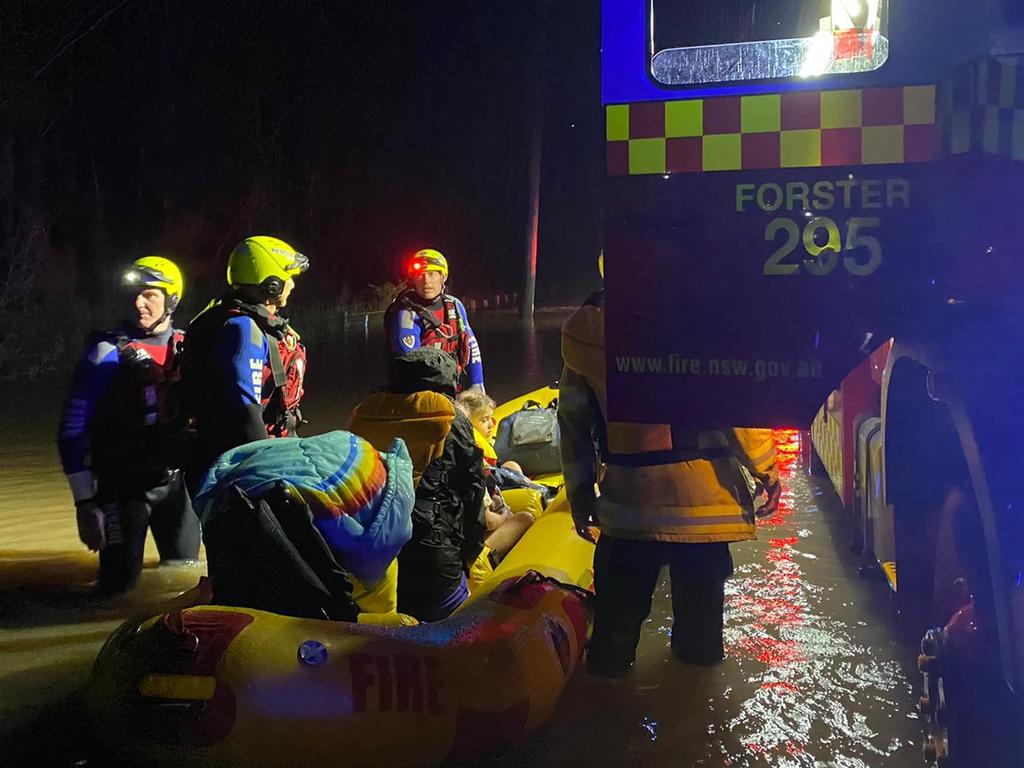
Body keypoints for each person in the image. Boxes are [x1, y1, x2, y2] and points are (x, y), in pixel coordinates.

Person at [558, 287, 782, 677]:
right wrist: (766, 468)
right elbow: (736, 408)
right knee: (700, 650)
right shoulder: (705, 320)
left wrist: (579, 495)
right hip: (703, 513)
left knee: (612, 643)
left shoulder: (586, 333)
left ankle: (609, 721)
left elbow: (574, 423)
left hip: (628, 510)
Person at [58, 256, 201, 596]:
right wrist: (85, 504)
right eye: (133, 294)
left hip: (178, 487)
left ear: (172, 299)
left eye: (149, 294)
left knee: (183, 577)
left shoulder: (191, 346)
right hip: (122, 489)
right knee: (116, 591)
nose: (139, 302)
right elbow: (71, 430)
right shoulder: (105, 352)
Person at [349, 348, 487, 621]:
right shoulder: (451, 419)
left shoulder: (363, 417)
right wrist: (470, 557)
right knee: (458, 626)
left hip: (373, 559)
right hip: (433, 559)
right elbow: (472, 493)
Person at [181, 235, 308, 489]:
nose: (292, 284)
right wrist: (268, 476)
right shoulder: (243, 329)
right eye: (287, 276)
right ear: (271, 284)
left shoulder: (243, 320)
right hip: (245, 468)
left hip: (255, 455)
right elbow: (247, 413)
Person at [383, 248, 484, 392]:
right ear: (413, 279)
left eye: (431, 274)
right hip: (417, 394)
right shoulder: (406, 314)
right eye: (420, 275)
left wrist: (477, 386)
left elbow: (472, 347)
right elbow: (410, 364)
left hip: (451, 389)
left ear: (443, 277)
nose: (426, 281)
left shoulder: (455, 306)